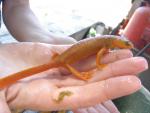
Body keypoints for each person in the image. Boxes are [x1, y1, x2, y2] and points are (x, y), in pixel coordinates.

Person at [0, 0, 148, 113]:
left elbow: (17, 5)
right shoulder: (106, 44)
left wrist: (49, 40)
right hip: (62, 61)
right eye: (125, 44)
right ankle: (81, 76)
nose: (127, 45)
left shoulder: (107, 44)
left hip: (59, 57)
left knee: (60, 66)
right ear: (116, 41)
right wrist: (99, 65)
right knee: (69, 70)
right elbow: (98, 57)